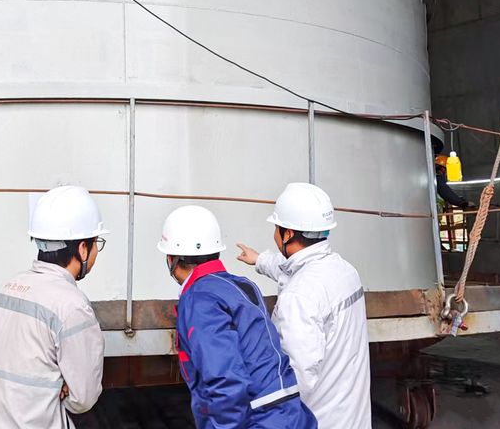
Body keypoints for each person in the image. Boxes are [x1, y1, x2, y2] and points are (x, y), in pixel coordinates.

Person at [0, 185, 108, 429]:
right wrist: (63, 385)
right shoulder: (72, 307)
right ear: (82, 248)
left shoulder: (4, 290)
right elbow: (83, 398)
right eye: (96, 243)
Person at [157, 205, 318, 429]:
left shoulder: (200, 298)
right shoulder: (242, 285)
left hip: (259, 420)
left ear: (171, 259)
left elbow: (225, 382)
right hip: (290, 415)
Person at [236, 183, 371, 429]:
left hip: (320, 420)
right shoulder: (345, 271)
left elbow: (296, 378)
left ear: (287, 234)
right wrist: (259, 260)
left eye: (276, 227)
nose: (274, 233)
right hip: (352, 418)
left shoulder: (299, 296)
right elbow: (291, 271)